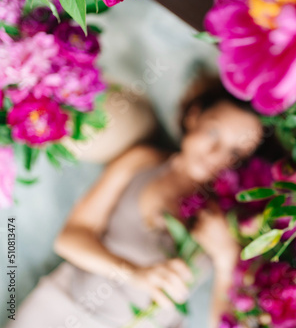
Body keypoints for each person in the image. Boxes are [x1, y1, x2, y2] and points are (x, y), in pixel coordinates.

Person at [7, 81, 263, 328]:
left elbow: (228, 323)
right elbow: (69, 240)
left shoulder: (231, 220)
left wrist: (227, 259)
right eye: (213, 133)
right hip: (63, 309)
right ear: (194, 116)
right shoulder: (142, 162)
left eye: (236, 153)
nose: (217, 155)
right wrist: (135, 273)